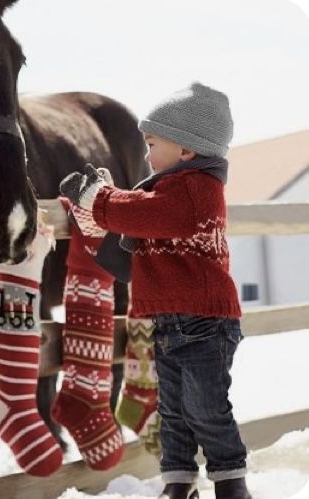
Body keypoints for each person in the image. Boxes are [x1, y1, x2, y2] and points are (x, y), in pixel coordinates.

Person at [59, 82, 252, 499]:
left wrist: (103, 201)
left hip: (205, 323)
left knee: (206, 408)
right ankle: (178, 483)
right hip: (169, 322)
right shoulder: (164, 190)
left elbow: (148, 214)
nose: (146, 154)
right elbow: (134, 242)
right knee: (174, 413)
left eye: (152, 144)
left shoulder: (198, 190)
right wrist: (99, 213)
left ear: (187, 150)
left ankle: (231, 482)